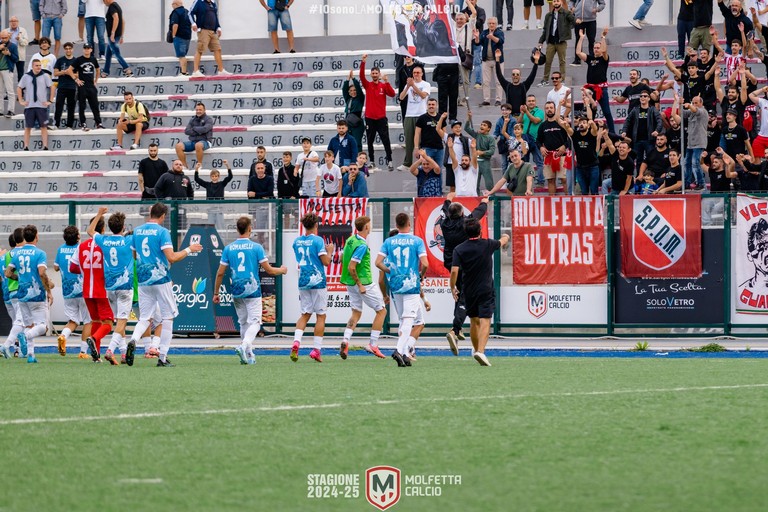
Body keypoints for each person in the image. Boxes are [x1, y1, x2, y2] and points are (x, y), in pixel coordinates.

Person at [125, 202, 203, 367]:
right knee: (168, 317)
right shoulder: (162, 232)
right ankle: (162, 358)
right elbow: (172, 257)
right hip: (160, 279)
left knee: (145, 317)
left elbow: (134, 254)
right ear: (162, 216)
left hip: (143, 280)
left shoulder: (137, 231)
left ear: (150, 213)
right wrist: (190, 249)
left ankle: (132, 340)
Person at [214, 216, 286, 365]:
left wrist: (216, 293)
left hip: (237, 290)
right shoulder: (256, 247)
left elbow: (220, 273)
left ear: (237, 229)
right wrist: (282, 270)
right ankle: (244, 346)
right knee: (255, 322)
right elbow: (270, 271)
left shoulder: (229, 248)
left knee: (243, 323)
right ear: (250, 228)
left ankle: (249, 354)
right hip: (252, 290)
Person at [450, 218, 509, 366]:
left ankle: (476, 349)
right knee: (485, 320)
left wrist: (452, 287)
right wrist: (506, 236)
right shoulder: (487, 244)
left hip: (469, 290)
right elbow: (502, 241)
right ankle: (480, 351)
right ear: (480, 230)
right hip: (485, 289)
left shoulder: (459, 249)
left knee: (474, 321)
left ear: (466, 232)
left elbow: (454, 271)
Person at [375, 213, 428, 367]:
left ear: (396, 225)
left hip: (396, 284)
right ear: (409, 223)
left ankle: (405, 353)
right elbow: (425, 264)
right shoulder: (417, 241)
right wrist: (421, 276)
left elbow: (378, 263)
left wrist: (390, 271)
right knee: (409, 319)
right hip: (411, 283)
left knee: (404, 319)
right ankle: (399, 350)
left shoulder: (389, 241)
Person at [441, 193, 489, 353]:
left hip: (450, 261)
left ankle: (458, 329)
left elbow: (446, 207)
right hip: (464, 262)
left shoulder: (444, 223)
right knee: (464, 297)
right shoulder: (465, 223)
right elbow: (478, 213)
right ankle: (455, 330)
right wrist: (484, 201)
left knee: (459, 292)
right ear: (462, 213)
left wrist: (449, 197)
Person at [87, 208, 133, 365]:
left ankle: (123, 353)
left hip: (110, 288)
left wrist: (99, 214)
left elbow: (90, 230)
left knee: (117, 322)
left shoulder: (104, 240)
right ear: (123, 227)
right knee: (122, 322)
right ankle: (110, 350)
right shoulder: (128, 240)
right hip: (125, 287)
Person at [3, 225, 53, 363]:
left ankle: (31, 356)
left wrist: (21, 279)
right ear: (36, 236)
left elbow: (8, 273)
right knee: (43, 326)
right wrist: (48, 291)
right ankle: (25, 337)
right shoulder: (40, 253)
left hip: (22, 294)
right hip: (36, 294)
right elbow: (42, 272)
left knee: (29, 324)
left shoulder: (17, 253)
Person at [339, 216, 387, 359]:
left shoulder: (350, 240)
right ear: (366, 227)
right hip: (363, 282)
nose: (370, 227)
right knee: (381, 311)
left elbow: (342, 258)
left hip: (349, 282)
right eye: (370, 225)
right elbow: (351, 266)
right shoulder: (361, 245)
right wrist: (360, 285)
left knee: (356, 313)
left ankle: (345, 340)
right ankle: (373, 344)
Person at [68, 216, 113, 363]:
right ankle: (93, 339)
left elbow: (72, 267)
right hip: (102, 288)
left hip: (87, 288)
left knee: (95, 321)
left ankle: (96, 356)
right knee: (108, 322)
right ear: (103, 229)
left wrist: (85, 271)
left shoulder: (81, 246)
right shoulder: (105, 244)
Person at [289, 213, 333, 363]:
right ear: (316, 225)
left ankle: (296, 342)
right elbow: (325, 262)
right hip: (317, 280)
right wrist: (330, 251)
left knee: (305, 314)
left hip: (303, 280)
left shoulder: (296, 242)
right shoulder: (318, 240)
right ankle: (316, 350)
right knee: (321, 315)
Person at [53, 225, 91, 357]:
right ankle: (83, 351)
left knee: (73, 320)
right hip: (83, 289)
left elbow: (56, 267)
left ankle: (63, 335)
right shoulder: (81, 248)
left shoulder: (60, 249)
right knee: (88, 321)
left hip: (68, 291)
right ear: (78, 237)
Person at [359, 53, 396, 171]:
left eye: (376, 73)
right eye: (373, 73)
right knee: (370, 141)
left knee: (386, 140)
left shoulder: (383, 85)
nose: (375, 75)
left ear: (379, 74)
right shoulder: (368, 85)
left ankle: (389, 161)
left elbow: (392, 94)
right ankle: (372, 161)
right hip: (370, 118)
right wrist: (363, 62)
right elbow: (361, 76)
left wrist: (387, 82)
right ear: (371, 74)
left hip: (381, 118)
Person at [577, 27, 614, 133]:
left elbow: (604, 50)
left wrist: (603, 37)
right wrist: (581, 38)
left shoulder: (604, 59)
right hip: (591, 89)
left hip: (602, 88)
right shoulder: (590, 59)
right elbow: (579, 52)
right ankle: (590, 131)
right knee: (590, 111)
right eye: (595, 48)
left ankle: (612, 132)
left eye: (598, 47)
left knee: (606, 112)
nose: (596, 49)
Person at [399, 65, 431, 172]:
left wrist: (413, 86)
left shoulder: (426, 84)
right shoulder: (408, 85)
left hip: (421, 114)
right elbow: (401, 97)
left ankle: (423, 161)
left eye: (418, 72)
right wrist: (408, 86)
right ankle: (407, 162)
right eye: (414, 73)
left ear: (422, 73)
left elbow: (423, 95)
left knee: (422, 140)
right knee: (408, 139)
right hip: (409, 114)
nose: (416, 74)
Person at [17, 59, 53, 151]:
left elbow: (52, 87)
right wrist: (21, 100)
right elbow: (19, 87)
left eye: (40, 65)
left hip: (41, 106)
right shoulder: (26, 76)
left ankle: (45, 146)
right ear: (32, 66)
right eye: (36, 65)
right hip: (30, 106)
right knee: (28, 127)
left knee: (43, 126)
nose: (38, 67)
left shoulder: (45, 76)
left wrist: (50, 100)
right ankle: (26, 146)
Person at [538, 0, 575, 86]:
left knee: (562, 61)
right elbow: (545, 30)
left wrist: (573, 15)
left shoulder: (566, 13)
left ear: (561, 2)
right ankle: (545, 79)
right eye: (554, 1)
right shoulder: (548, 15)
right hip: (551, 42)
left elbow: (573, 22)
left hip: (561, 41)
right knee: (548, 61)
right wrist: (541, 41)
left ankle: (562, 80)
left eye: (558, 1)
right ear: (552, 3)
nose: (556, 3)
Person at [188, 0, 230, 76]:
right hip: (203, 30)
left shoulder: (213, 4)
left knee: (218, 49)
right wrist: (193, 23)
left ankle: (221, 70)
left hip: (213, 31)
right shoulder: (198, 2)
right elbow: (190, 13)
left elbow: (215, 16)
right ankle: (196, 71)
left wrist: (218, 27)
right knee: (200, 50)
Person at [536, 100, 569, 195]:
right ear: (545, 110)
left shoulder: (561, 123)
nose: (549, 110)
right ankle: (552, 202)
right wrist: (541, 148)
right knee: (550, 180)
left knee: (564, 179)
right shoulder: (542, 126)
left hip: (562, 155)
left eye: (551, 108)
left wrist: (564, 146)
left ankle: (568, 200)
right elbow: (538, 140)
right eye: (547, 108)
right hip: (548, 156)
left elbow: (570, 138)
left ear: (555, 109)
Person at [495, 48, 541, 115]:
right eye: (513, 74)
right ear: (511, 76)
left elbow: (532, 76)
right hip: (510, 116)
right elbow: (499, 75)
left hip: (522, 116)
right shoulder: (507, 86)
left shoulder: (524, 86)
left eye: (517, 74)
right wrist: (497, 59)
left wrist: (536, 61)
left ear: (520, 76)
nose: (515, 76)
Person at [73, 43, 103, 131]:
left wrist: (96, 80)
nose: (86, 50)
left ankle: (99, 123)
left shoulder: (93, 59)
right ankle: (83, 123)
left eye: (88, 48)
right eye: (85, 48)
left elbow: (98, 70)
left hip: (91, 86)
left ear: (91, 49)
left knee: (95, 105)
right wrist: (76, 79)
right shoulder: (79, 60)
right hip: (82, 86)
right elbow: (70, 70)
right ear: (83, 49)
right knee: (82, 106)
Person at [464, 111, 496, 193]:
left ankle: (492, 198)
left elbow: (492, 151)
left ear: (489, 128)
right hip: (476, 162)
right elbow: (466, 128)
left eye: (484, 125)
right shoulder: (477, 135)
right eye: (481, 124)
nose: (482, 126)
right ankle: (476, 198)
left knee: (489, 183)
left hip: (485, 162)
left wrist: (482, 152)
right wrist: (469, 118)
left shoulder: (491, 138)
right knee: (475, 183)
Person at [175, 102, 213, 168]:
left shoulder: (209, 120)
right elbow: (186, 131)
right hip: (193, 141)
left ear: (204, 110)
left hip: (205, 141)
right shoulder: (192, 120)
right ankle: (184, 166)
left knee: (198, 145)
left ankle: (199, 165)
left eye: (200, 110)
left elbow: (205, 129)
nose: (198, 111)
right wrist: (199, 131)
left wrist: (194, 128)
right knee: (178, 146)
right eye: (197, 110)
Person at [477, 17, 504, 106]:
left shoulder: (499, 32)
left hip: (498, 61)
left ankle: (498, 99)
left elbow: (500, 41)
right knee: (485, 82)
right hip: (486, 60)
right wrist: (477, 37)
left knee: (498, 81)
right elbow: (478, 42)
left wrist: (492, 37)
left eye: (493, 23)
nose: (491, 25)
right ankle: (486, 100)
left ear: (496, 24)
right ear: (487, 24)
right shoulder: (484, 32)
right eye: (490, 23)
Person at [102, 0, 132, 77]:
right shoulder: (117, 6)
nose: (104, 3)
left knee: (116, 53)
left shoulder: (112, 7)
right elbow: (123, 21)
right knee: (108, 54)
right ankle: (105, 72)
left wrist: (112, 33)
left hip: (113, 36)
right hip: (117, 35)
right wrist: (122, 36)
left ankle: (127, 70)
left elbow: (116, 18)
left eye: (103, 1)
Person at [570, 0, 605, 65]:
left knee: (591, 40)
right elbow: (571, 1)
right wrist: (572, 8)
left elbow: (602, 4)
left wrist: (597, 9)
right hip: (579, 19)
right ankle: (577, 60)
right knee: (578, 39)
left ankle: (593, 59)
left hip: (591, 20)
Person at [52, 41, 77, 130]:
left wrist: (69, 73)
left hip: (72, 87)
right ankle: (56, 124)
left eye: (70, 48)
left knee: (71, 107)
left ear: (72, 49)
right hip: (61, 86)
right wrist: (63, 72)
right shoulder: (60, 60)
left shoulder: (75, 61)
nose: (68, 50)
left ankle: (69, 125)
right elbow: (55, 73)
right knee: (59, 105)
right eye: (66, 49)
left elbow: (78, 74)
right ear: (64, 50)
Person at [342, 69, 365, 152]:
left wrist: (354, 79)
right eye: (351, 91)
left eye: (354, 90)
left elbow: (359, 89)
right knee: (348, 142)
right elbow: (344, 90)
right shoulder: (348, 99)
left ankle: (359, 160)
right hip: (348, 122)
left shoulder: (360, 98)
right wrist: (347, 80)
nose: (353, 92)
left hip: (357, 123)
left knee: (357, 142)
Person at [169, 0, 192, 76]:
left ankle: (184, 72)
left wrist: (173, 35)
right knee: (183, 54)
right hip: (187, 36)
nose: (172, 5)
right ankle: (183, 71)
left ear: (176, 4)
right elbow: (191, 24)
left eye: (172, 4)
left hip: (179, 36)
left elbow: (175, 25)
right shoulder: (187, 12)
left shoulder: (176, 12)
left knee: (181, 56)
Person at [0, 30, 19, 119]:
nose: (3, 39)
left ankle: (11, 110)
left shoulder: (13, 46)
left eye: (5, 38)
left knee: (10, 91)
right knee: (0, 92)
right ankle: (0, 110)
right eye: (2, 38)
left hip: (7, 70)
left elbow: (16, 59)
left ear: (9, 37)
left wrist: (9, 54)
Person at [7, 16, 29, 83]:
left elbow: (26, 43)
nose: (13, 23)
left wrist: (19, 39)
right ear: (9, 22)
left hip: (20, 55)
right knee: (9, 74)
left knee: (20, 74)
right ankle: (8, 91)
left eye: (15, 21)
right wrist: (8, 38)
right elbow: (2, 42)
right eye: (12, 21)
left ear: (18, 22)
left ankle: (21, 90)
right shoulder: (6, 31)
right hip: (9, 55)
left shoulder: (23, 30)